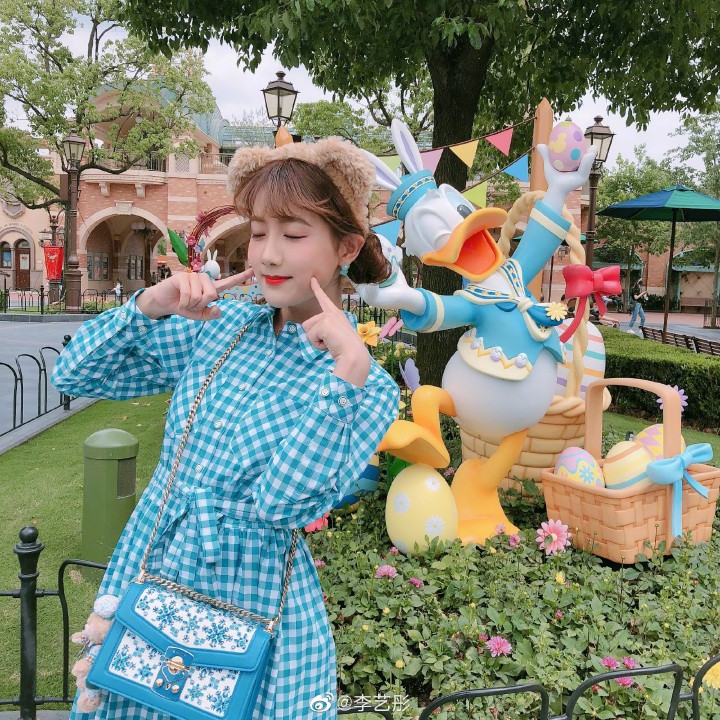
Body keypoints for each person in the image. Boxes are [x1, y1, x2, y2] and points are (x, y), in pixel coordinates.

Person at [51, 136, 399, 720]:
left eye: (293, 235)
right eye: (258, 232)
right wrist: (150, 305)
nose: (268, 255)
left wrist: (344, 376)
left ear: (347, 246)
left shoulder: (366, 386)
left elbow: (281, 505)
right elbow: (75, 373)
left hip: (250, 595)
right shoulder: (218, 324)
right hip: (153, 562)